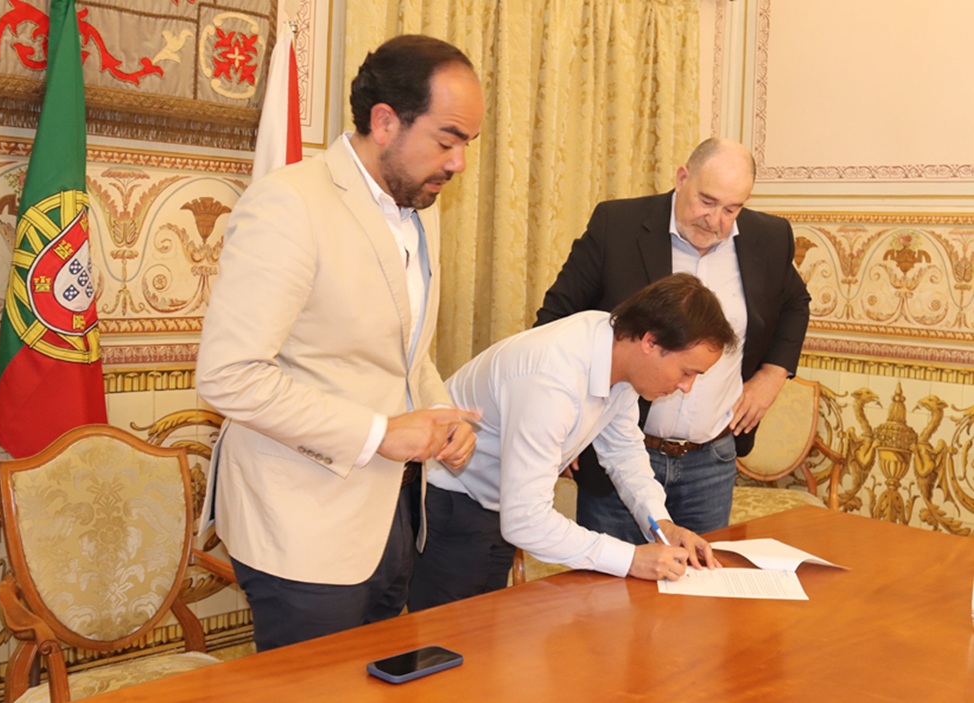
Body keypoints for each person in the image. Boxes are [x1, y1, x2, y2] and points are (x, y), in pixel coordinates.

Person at [195, 35, 483, 650]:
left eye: (466, 144)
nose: (458, 162)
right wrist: (381, 433)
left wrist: (441, 413)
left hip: (393, 515)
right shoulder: (289, 204)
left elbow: (401, 349)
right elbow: (230, 376)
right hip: (304, 525)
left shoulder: (419, 202)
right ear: (385, 122)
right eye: (447, 138)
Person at [535, 137, 811, 545]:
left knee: (698, 595)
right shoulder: (619, 225)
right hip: (621, 456)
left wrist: (771, 375)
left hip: (711, 459)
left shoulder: (768, 237)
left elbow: (795, 304)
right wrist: (564, 422)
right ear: (683, 178)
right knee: (609, 597)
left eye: (731, 209)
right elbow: (555, 322)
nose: (715, 220)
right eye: (706, 200)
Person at [408, 273, 734, 611]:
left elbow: (623, 453)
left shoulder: (617, 351)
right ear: (650, 342)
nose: (687, 387)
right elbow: (527, 521)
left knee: (486, 635)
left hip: (498, 500)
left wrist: (660, 524)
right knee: (449, 643)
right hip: (451, 501)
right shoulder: (552, 379)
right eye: (686, 371)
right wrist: (632, 559)